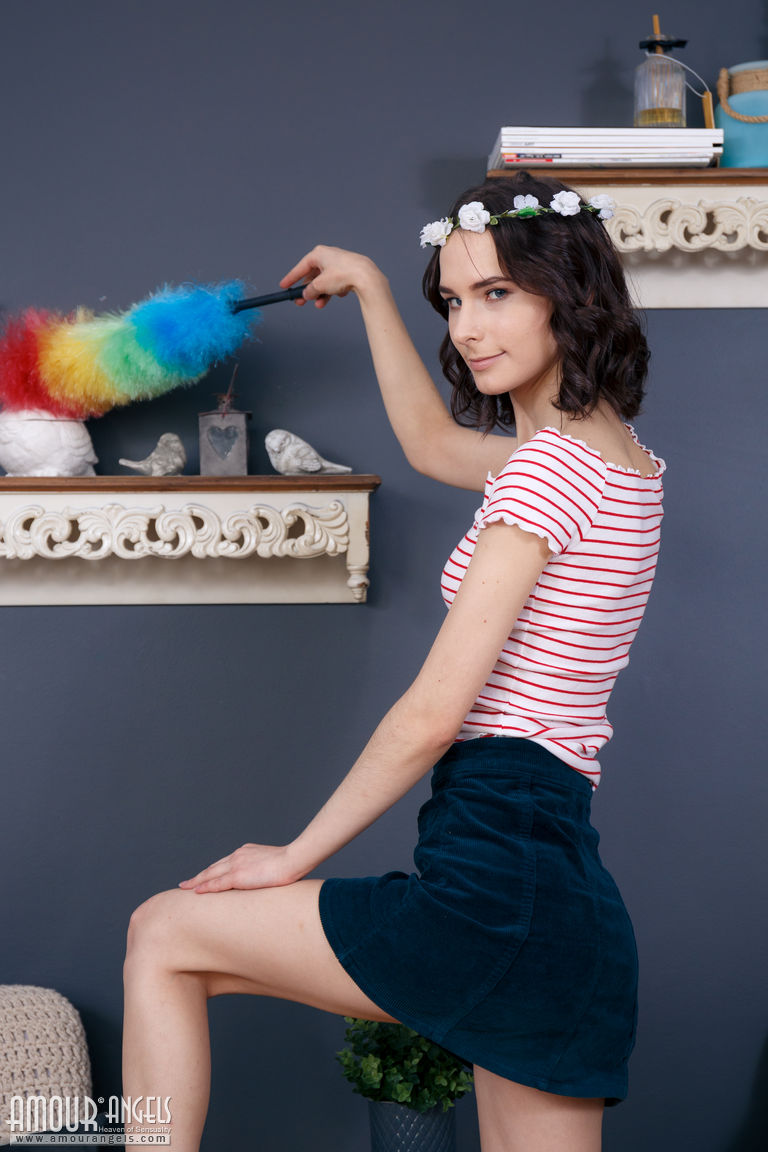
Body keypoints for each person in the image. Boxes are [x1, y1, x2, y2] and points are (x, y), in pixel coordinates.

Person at [122, 172, 665, 1152]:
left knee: (163, 934)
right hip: (560, 898)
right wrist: (373, 288)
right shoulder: (617, 460)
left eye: (496, 294)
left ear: (571, 292)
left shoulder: (546, 474)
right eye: (452, 301)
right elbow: (428, 443)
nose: (467, 328)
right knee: (172, 942)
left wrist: (294, 856)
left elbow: (431, 714)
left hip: (496, 868)